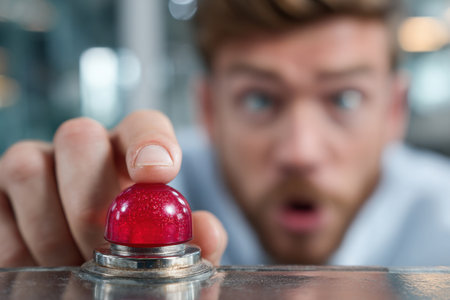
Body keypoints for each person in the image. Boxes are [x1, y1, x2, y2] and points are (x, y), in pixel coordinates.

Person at [1, 0, 450, 268]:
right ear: (208, 109)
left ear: (394, 111)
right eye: (259, 99)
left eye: (344, 99)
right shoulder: (136, 210)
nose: (300, 151)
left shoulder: (442, 218)